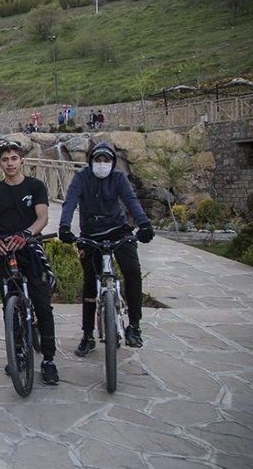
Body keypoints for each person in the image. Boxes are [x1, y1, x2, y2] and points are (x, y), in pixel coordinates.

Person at [59, 142, 154, 354]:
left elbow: (131, 200)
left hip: (118, 230)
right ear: (91, 161)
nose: (102, 164)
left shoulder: (118, 178)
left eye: (106, 160)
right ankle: (87, 335)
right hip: (90, 234)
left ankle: (134, 327)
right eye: (98, 160)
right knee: (90, 283)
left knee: (132, 272)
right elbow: (70, 202)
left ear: (112, 162)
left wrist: (144, 224)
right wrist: (64, 227)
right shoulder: (81, 178)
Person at [0, 141, 59, 385]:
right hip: (5, 247)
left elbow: (42, 217)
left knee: (42, 304)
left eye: (14, 158)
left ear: (21, 160)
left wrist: (27, 233)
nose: (10, 163)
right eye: (5, 160)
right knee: (9, 304)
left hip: (29, 244)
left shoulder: (35, 186)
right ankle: (18, 353)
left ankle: (49, 360)